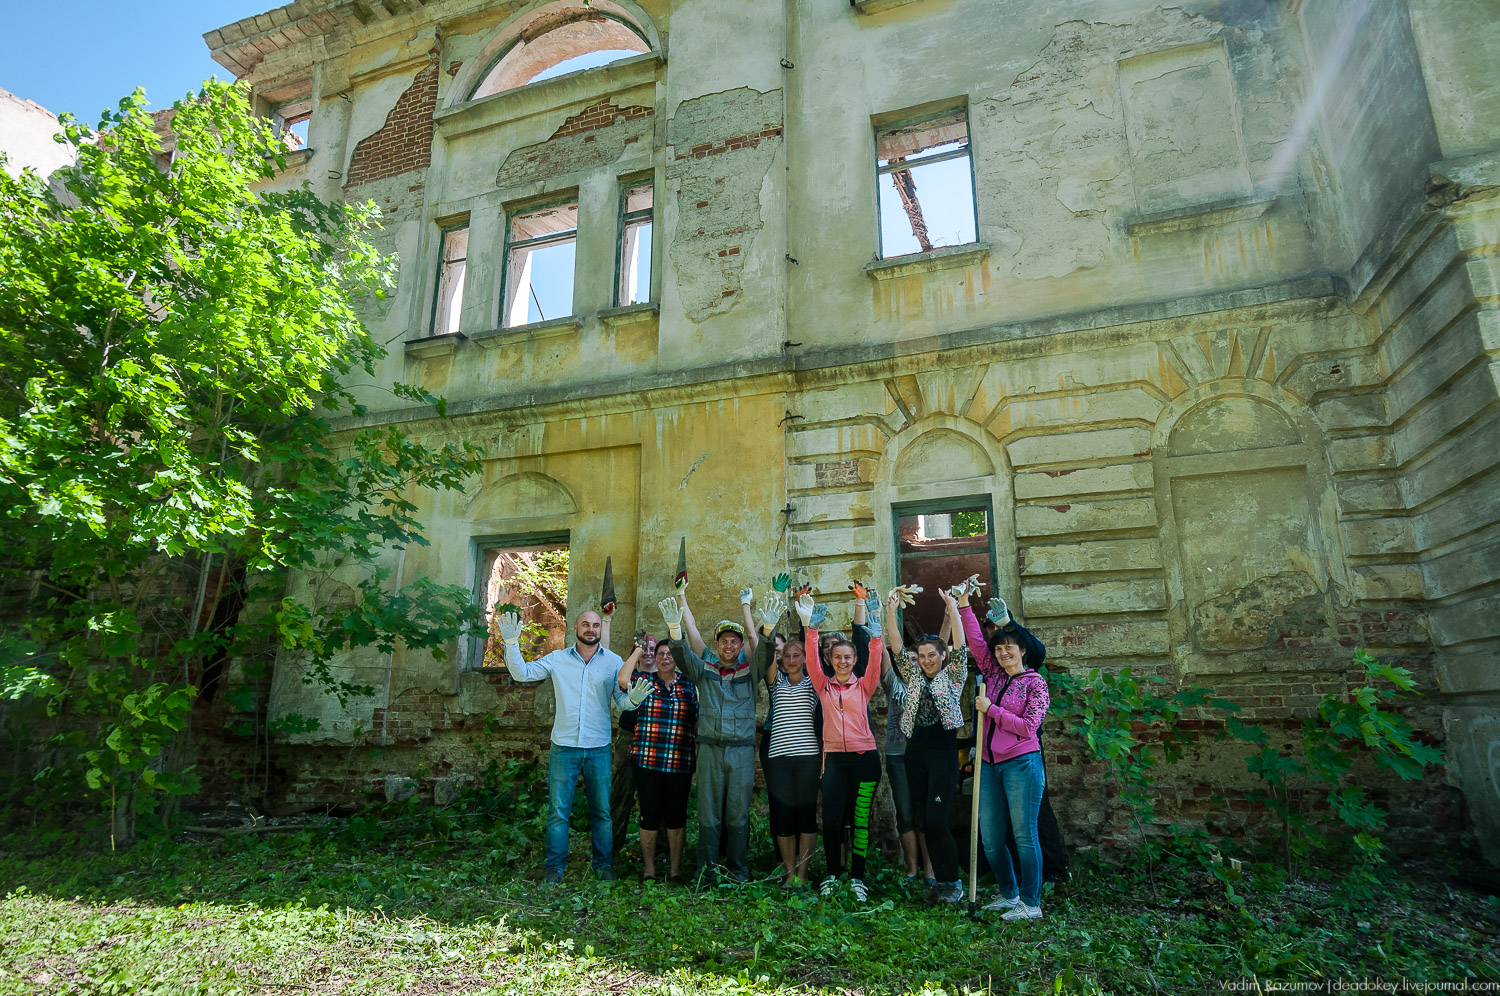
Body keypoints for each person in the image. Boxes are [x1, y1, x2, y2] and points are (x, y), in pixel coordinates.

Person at [498, 606, 632, 884]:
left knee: (602, 812)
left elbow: (621, 702)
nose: (591, 629)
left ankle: (603, 865)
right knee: (559, 812)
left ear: (599, 629)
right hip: (564, 747)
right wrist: (511, 644)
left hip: (598, 748)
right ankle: (554, 868)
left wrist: (633, 702)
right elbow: (522, 674)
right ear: (575, 628)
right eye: (585, 624)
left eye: (595, 625)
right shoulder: (558, 659)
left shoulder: (613, 662)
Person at [658, 593, 767, 885]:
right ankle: (708, 871)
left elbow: (764, 654)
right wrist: (675, 630)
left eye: (734, 641)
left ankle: (737, 870)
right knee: (708, 812)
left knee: (737, 813)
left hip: (741, 752)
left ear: (741, 646)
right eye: (723, 641)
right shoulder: (704, 670)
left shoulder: (750, 670)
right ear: (716, 644)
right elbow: (683, 656)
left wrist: (765, 626)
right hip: (709, 749)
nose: (729, 646)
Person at [963, 594, 1051, 920]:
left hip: (1022, 765)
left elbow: (1028, 727)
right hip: (989, 765)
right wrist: (962, 606)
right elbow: (975, 643)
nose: (1002, 653)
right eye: (998, 649)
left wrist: (992, 710)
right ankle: (1009, 894)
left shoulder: (1035, 683)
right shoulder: (994, 674)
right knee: (990, 840)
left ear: (1023, 650)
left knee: (1024, 837)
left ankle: (1031, 903)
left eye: (1009, 647)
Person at [883, 582, 973, 903]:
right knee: (924, 820)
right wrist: (890, 612)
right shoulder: (914, 675)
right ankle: (938, 883)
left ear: (942, 655)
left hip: (943, 752)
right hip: (915, 752)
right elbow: (896, 649)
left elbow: (961, 647)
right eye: (921, 656)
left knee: (937, 820)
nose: (926, 660)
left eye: (932, 655)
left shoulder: (954, 674)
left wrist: (953, 606)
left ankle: (953, 882)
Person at [798, 588, 884, 902]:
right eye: (838, 657)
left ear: (854, 660)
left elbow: (875, 663)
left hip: (865, 761)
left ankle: (858, 878)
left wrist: (876, 639)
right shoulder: (823, 685)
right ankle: (833, 874)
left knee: (859, 821)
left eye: (848, 657)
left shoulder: (864, 686)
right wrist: (812, 631)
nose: (843, 661)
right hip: (833, 760)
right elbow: (810, 661)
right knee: (832, 820)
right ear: (831, 660)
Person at [617, 634, 698, 882]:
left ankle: (675, 870)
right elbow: (622, 680)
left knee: (676, 816)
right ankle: (649, 870)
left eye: (670, 654)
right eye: (661, 654)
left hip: (679, 762)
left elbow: (696, 720)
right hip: (647, 760)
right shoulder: (644, 680)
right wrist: (639, 651)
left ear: (676, 660)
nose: (665, 658)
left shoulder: (688, 685)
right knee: (649, 815)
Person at [760, 599, 818, 888]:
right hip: (779, 758)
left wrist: (807, 624)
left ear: (805, 658)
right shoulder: (776, 682)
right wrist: (767, 630)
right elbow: (765, 653)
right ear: (782, 660)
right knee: (783, 815)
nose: (792, 660)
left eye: (798, 655)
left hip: (808, 757)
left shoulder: (815, 683)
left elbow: (816, 654)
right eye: (788, 656)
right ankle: (789, 873)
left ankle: (803, 874)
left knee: (806, 815)